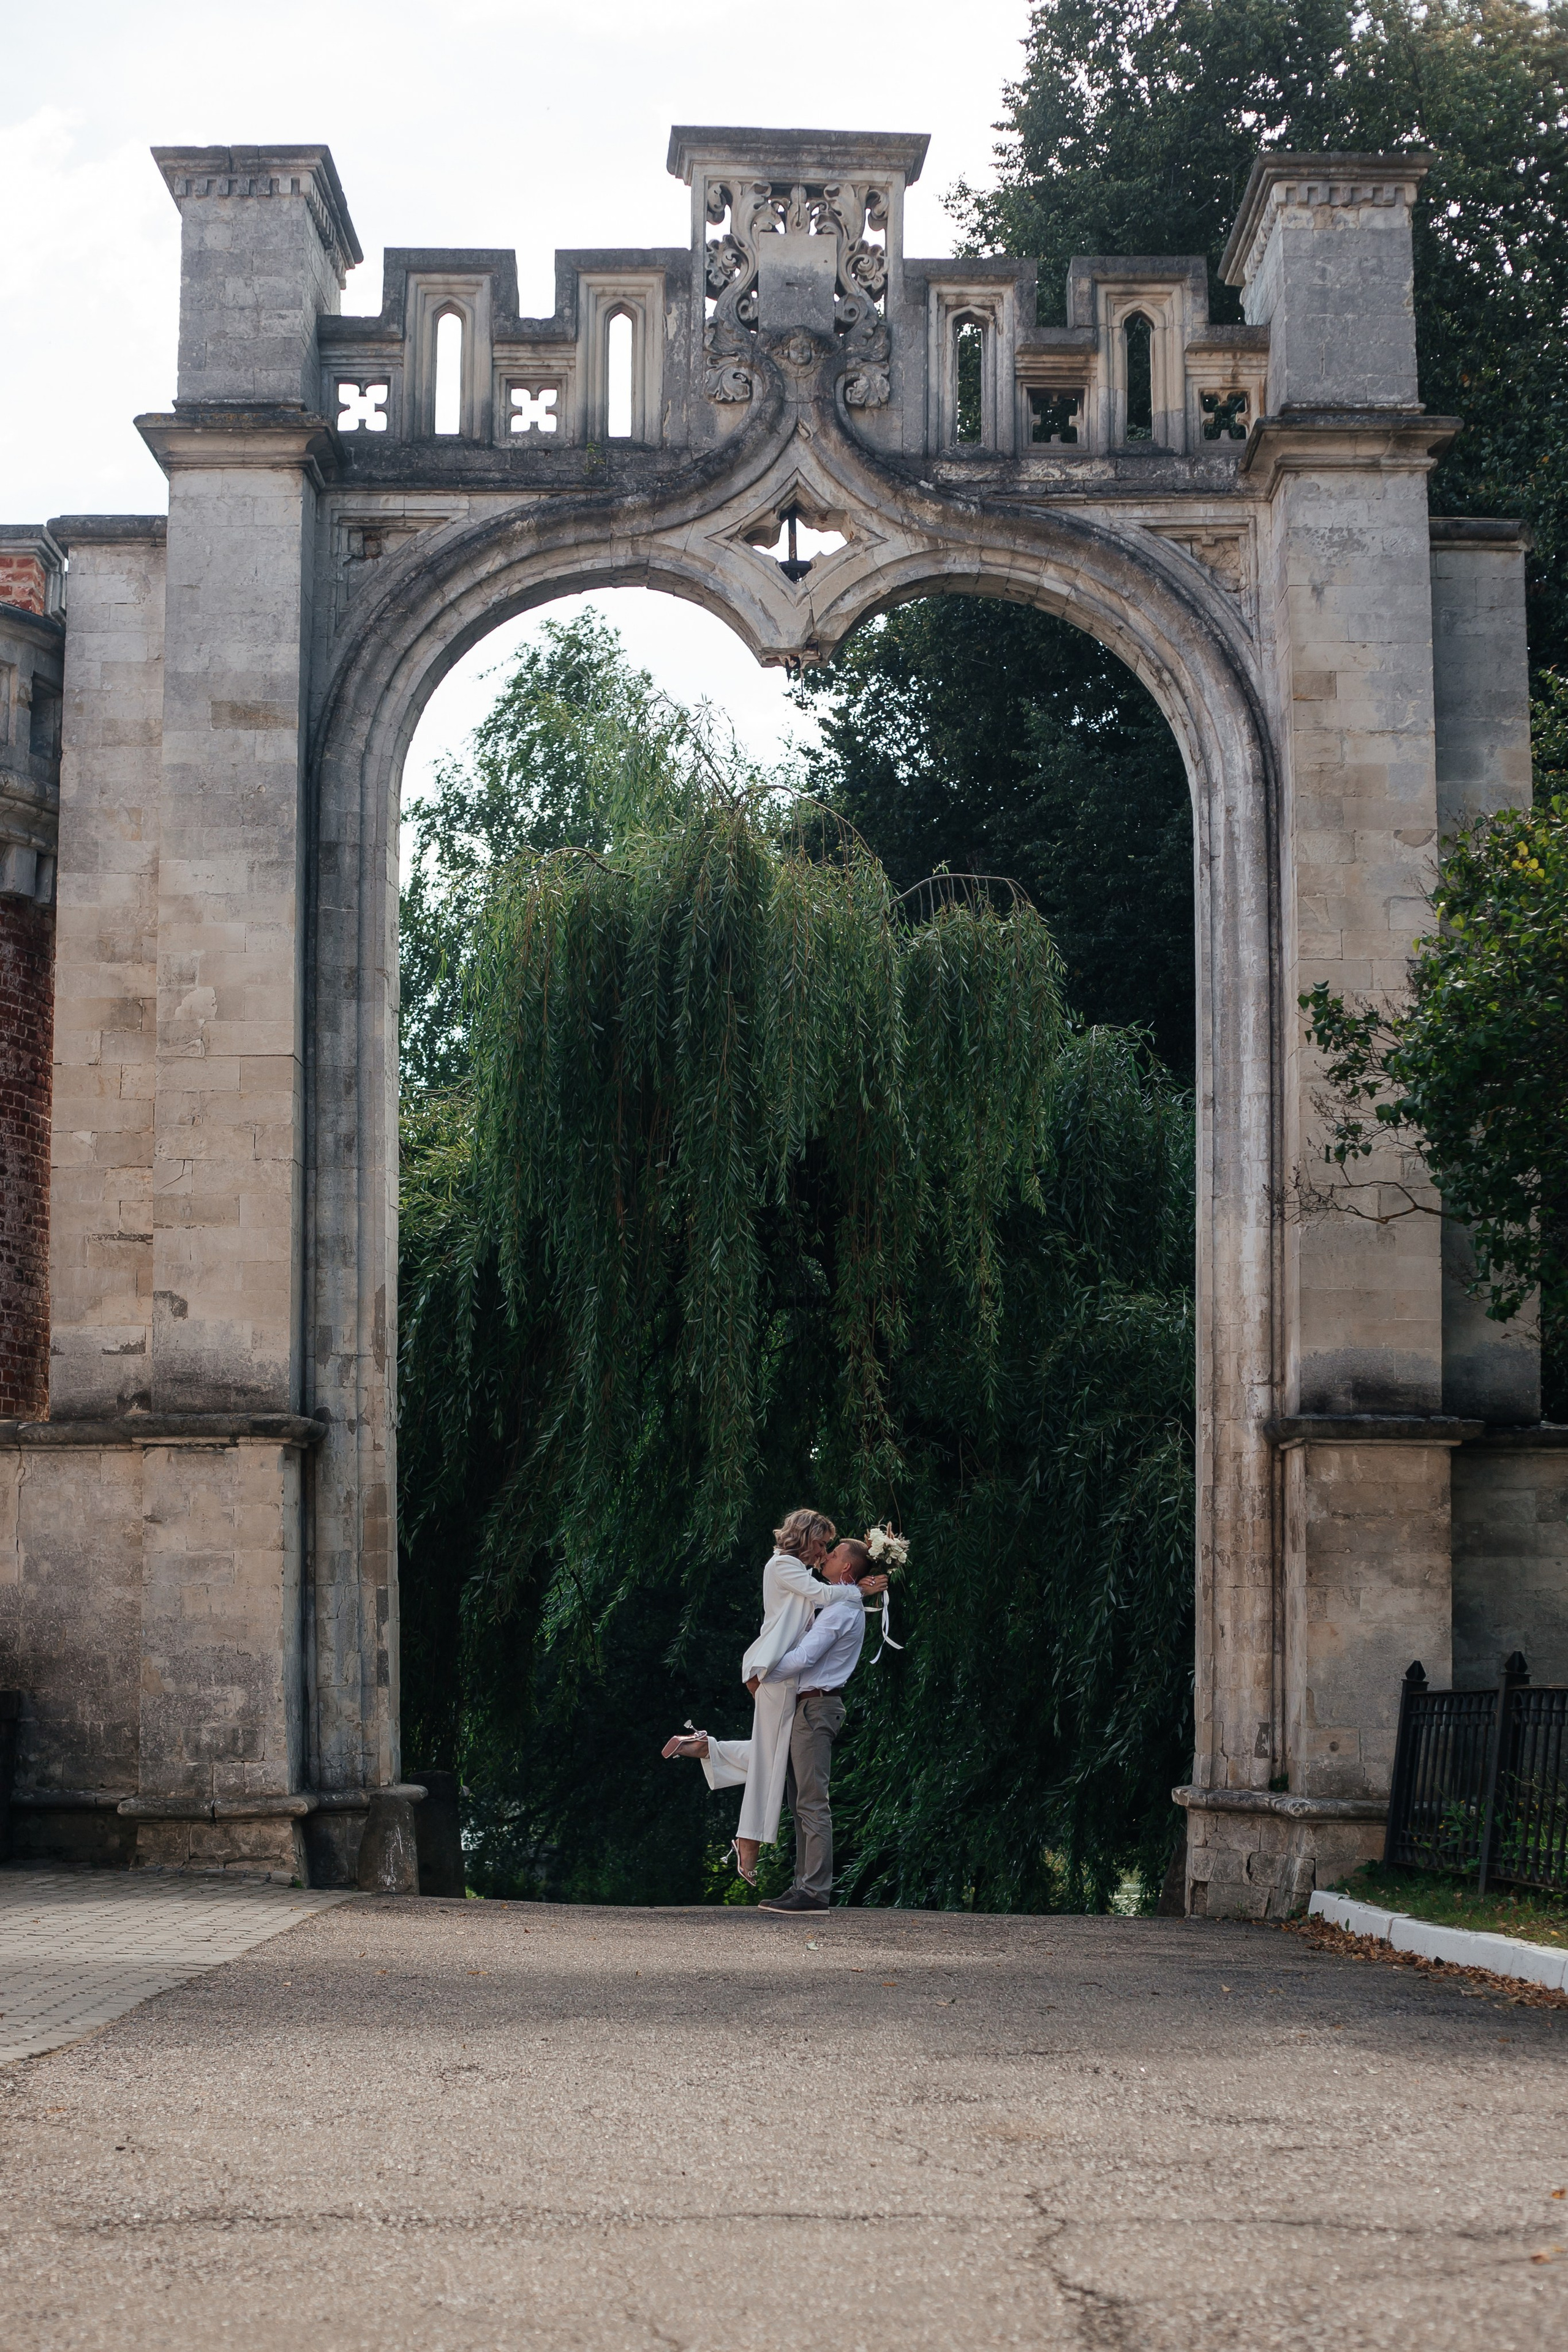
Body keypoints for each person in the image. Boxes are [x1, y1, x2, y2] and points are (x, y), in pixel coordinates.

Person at [660, 1509, 884, 1888]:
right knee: (771, 1757)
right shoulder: (784, 1567)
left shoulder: (797, 1571)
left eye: (830, 1548)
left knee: (774, 1754)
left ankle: (708, 1752)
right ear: (806, 1537)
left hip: (779, 1672)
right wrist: (859, 1589)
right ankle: (748, 1841)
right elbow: (827, 1595)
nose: (824, 1551)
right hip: (778, 1671)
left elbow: (819, 1604)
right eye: (822, 1543)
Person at [755, 1536, 872, 1915]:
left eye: (834, 1554)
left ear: (847, 1569)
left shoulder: (841, 1609)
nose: (826, 1556)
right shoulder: (843, 1602)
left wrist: (763, 1672)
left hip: (816, 1707)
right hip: (810, 1706)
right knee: (800, 1801)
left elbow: (806, 1656)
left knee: (811, 1802)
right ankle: (803, 1886)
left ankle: (814, 1892)